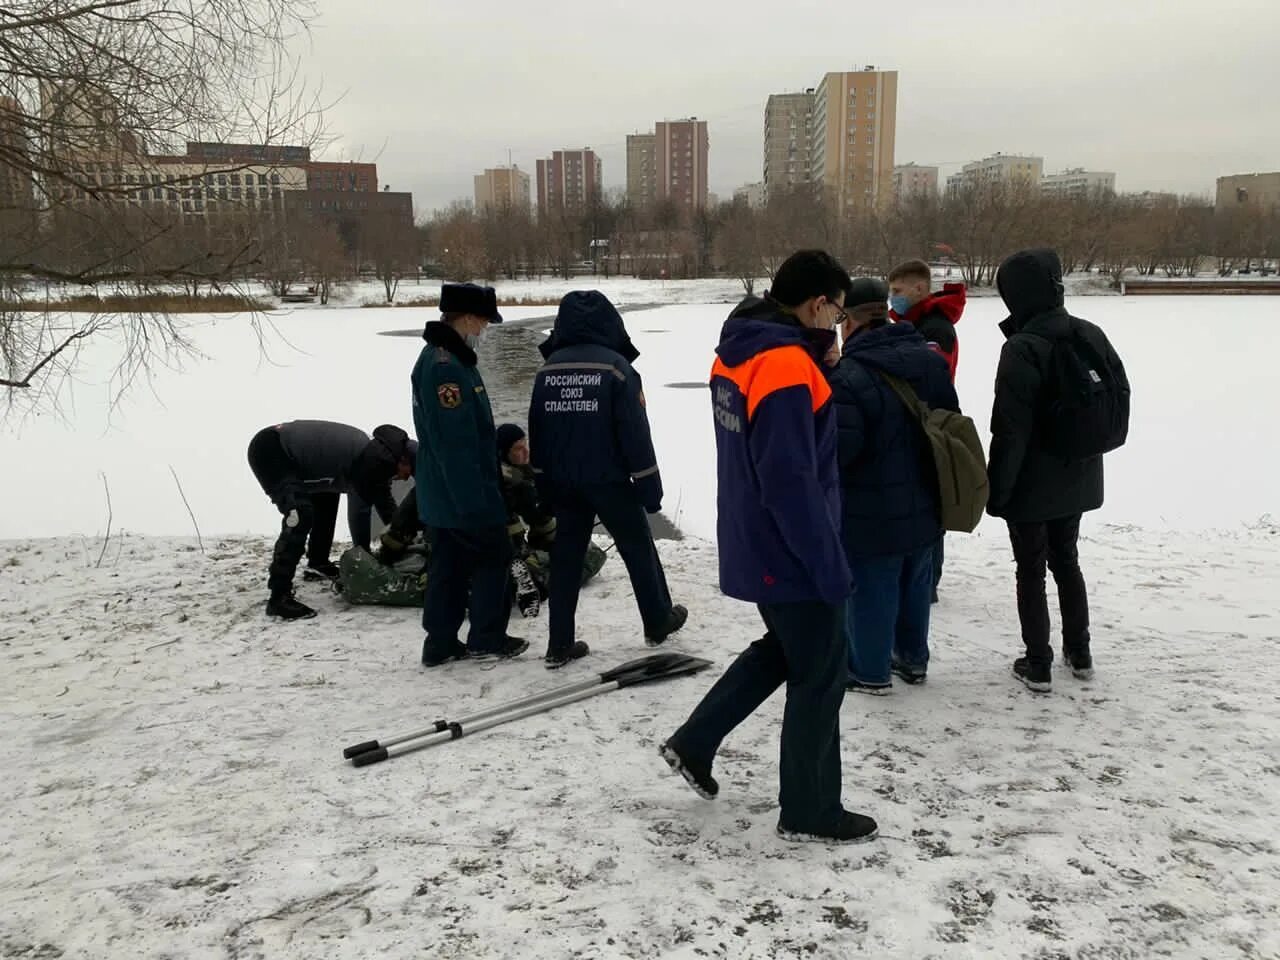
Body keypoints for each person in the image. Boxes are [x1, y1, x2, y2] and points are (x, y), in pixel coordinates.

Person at [659, 250, 877, 845]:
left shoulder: (745, 351)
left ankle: (693, 742)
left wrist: (817, 363)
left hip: (757, 537)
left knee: (784, 650)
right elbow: (789, 477)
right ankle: (809, 810)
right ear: (816, 303)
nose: (838, 322)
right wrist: (828, 564)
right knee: (820, 672)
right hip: (793, 549)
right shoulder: (782, 364)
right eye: (836, 310)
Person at [988, 248, 1129, 692]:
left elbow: (1010, 430)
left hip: (1032, 483)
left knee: (1030, 569)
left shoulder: (1022, 348)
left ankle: (1038, 663)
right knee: (1067, 561)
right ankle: (1080, 652)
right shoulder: (1089, 334)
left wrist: (998, 491)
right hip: (1080, 473)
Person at [528, 290, 687, 669]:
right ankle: (657, 620)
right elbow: (634, 434)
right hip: (610, 482)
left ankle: (559, 643)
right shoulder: (617, 369)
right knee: (638, 549)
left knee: (566, 559)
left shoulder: (547, 372)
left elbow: (538, 433)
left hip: (564, 483)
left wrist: (542, 485)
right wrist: (649, 489)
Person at [827, 278, 959, 693]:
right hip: (926, 499)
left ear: (849, 322)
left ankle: (869, 671)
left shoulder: (849, 376)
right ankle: (913, 660)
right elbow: (948, 420)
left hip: (871, 508)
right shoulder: (928, 361)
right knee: (916, 582)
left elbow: (841, 450)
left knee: (872, 588)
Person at [412, 282, 528, 666]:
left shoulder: (448, 359)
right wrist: (473, 500)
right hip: (461, 492)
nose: (485, 327)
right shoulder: (447, 368)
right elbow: (455, 443)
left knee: (449, 564)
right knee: (495, 555)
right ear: (465, 316)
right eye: (482, 319)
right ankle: (486, 635)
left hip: (446, 492)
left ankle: (441, 642)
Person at [247, 420, 412, 619]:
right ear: (402, 460)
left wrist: (402, 533)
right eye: (407, 472)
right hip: (271, 449)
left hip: (304, 463)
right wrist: (364, 555)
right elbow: (361, 509)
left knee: (327, 496)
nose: (404, 478)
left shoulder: (377, 456)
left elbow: (385, 506)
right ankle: (278, 598)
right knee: (298, 515)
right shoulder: (373, 462)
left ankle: (318, 562)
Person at [888, 258, 966, 602]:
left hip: (933, 423)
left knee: (932, 507)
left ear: (920, 289)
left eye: (897, 291)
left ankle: (927, 581)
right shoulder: (911, 324)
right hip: (913, 422)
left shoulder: (936, 329)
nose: (893, 298)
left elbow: (929, 376)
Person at [496, 422, 557, 618]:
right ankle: (528, 576)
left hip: (501, 535)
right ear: (504, 452)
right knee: (528, 561)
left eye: (525, 445)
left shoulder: (503, 469)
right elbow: (536, 516)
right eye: (518, 449)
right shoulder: (514, 480)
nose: (525, 452)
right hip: (502, 538)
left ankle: (523, 571)